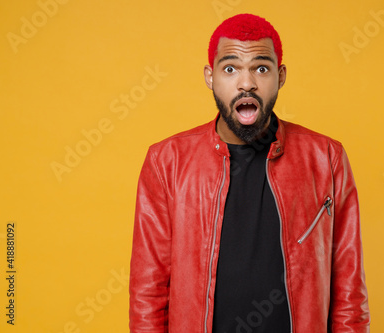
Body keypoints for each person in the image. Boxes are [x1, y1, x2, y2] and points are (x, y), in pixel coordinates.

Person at [129, 13, 370, 333]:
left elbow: (349, 291)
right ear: (210, 76)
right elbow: (148, 291)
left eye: (261, 68)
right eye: (230, 69)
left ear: (280, 76)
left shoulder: (326, 158)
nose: (247, 83)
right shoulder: (167, 161)